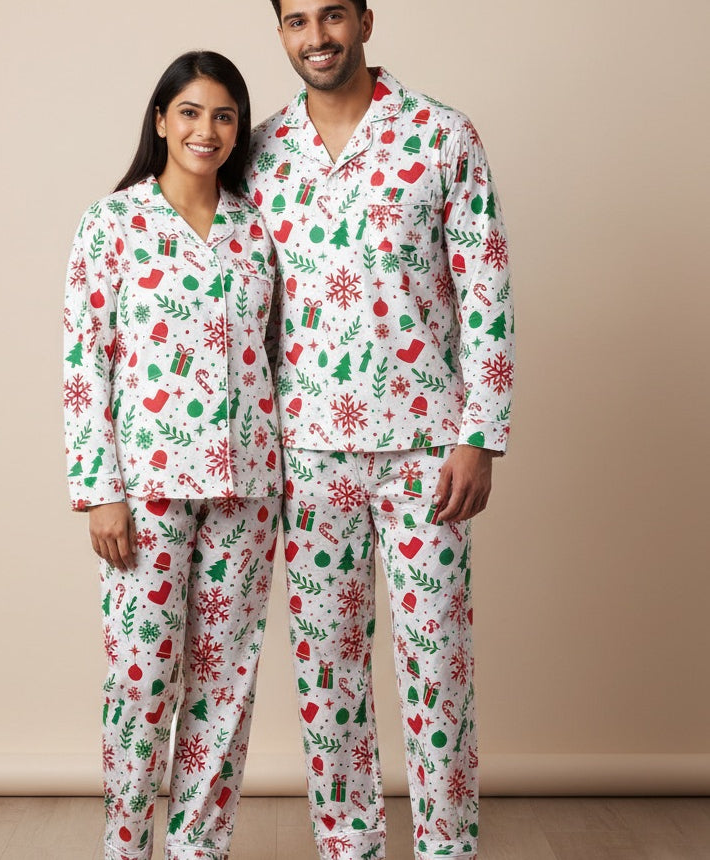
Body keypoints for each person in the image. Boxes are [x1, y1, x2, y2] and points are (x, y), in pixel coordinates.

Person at [248, 3, 514, 858]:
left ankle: (446, 849)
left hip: (427, 451)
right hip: (305, 454)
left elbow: (486, 290)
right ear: (280, 33)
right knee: (327, 676)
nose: (316, 37)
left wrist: (480, 434)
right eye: (296, 20)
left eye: (332, 14)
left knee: (438, 669)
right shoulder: (258, 152)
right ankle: (347, 846)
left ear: (366, 19)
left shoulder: (442, 136)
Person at [63, 51, 282, 860]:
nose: (206, 129)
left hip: (248, 487)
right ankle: (126, 847)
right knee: (141, 680)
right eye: (190, 111)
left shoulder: (257, 229)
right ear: (161, 120)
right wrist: (99, 490)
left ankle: (201, 850)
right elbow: (85, 362)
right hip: (147, 487)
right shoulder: (113, 223)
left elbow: (274, 355)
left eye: (224, 115)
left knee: (226, 687)